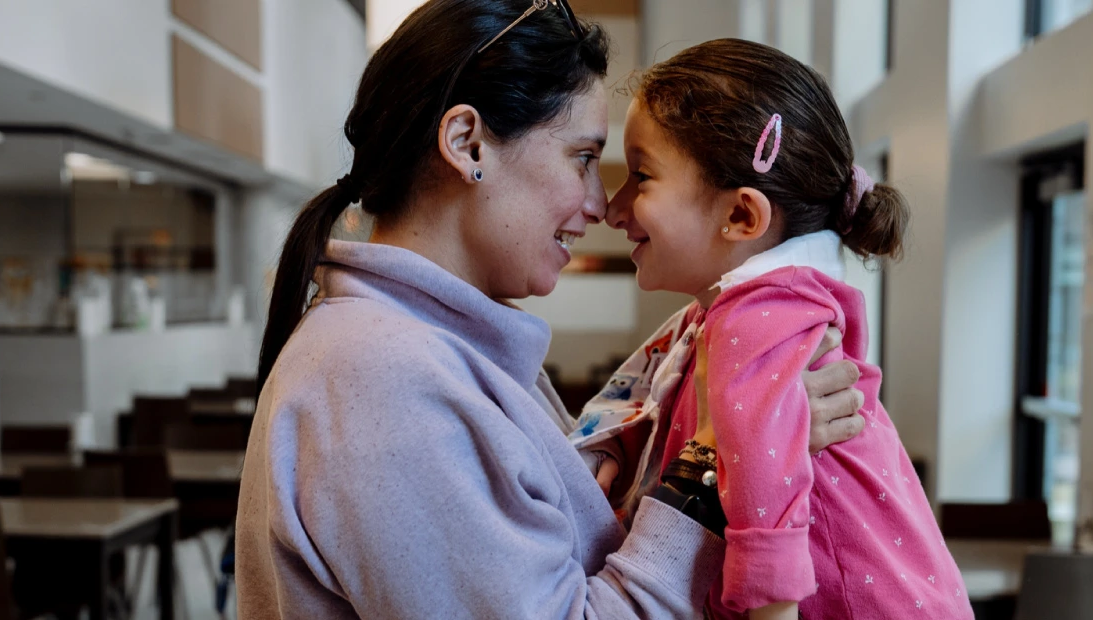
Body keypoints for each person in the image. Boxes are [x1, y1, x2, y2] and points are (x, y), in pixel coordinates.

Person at [235, 2, 865, 618]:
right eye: (584, 159)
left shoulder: (429, 350)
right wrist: (718, 459)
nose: (602, 206)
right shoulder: (378, 379)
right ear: (467, 143)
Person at [573, 39, 971, 619]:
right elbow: (671, 411)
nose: (614, 206)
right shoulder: (730, 316)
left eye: (642, 176)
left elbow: (767, 502)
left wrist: (771, 611)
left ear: (741, 216)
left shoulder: (760, 316)